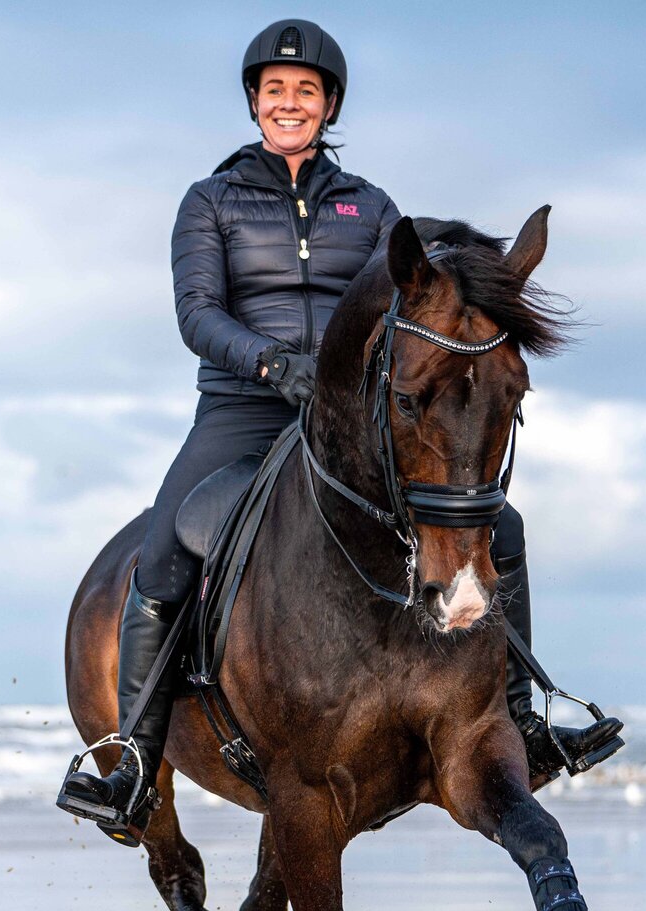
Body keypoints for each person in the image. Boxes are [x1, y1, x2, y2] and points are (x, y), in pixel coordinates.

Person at [59, 19, 598, 837]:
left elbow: (420, 283)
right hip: (244, 408)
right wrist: (275, 366)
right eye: (274, 90)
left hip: (349, 418)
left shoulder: (370, 207)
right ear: (253, 102)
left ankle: (523, 720)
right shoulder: (210, 201)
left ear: (328, 104)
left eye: (305, 91)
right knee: (167, 548)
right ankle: (131, 754)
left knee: (503, 525)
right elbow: (197, 313)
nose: (289, 103)